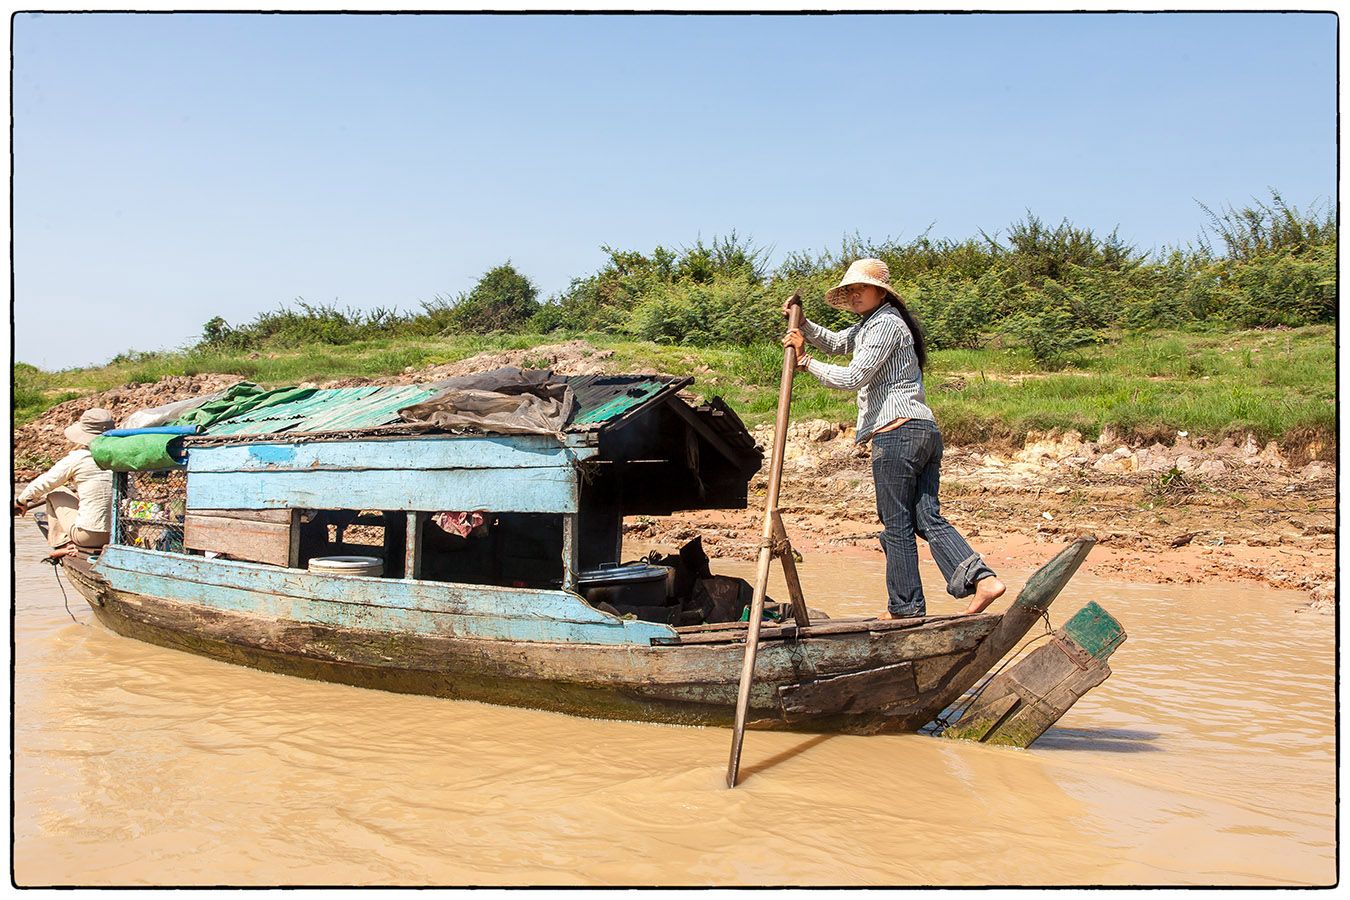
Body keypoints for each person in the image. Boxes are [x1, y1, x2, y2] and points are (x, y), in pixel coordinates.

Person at [782, 258, 1005, 618]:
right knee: (926, 517)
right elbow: (838, 343)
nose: (854, 296)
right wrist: (803, 324)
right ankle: (981, 579)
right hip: (921, 431)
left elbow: (853, 376)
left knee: (897, 525)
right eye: (849, 291)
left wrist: (804, 362)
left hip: (898, 434)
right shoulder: (873, 323)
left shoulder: (885, 324)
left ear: (881, 292)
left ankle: (905, 609)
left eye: (860, 289)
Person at [14, 408, 115, 558]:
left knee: (55, 491)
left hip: (89, 537)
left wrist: (21, 500)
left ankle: (65, 544)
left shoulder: (79, 457)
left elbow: (45, 482)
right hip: (123, 534)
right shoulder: (122, 459)